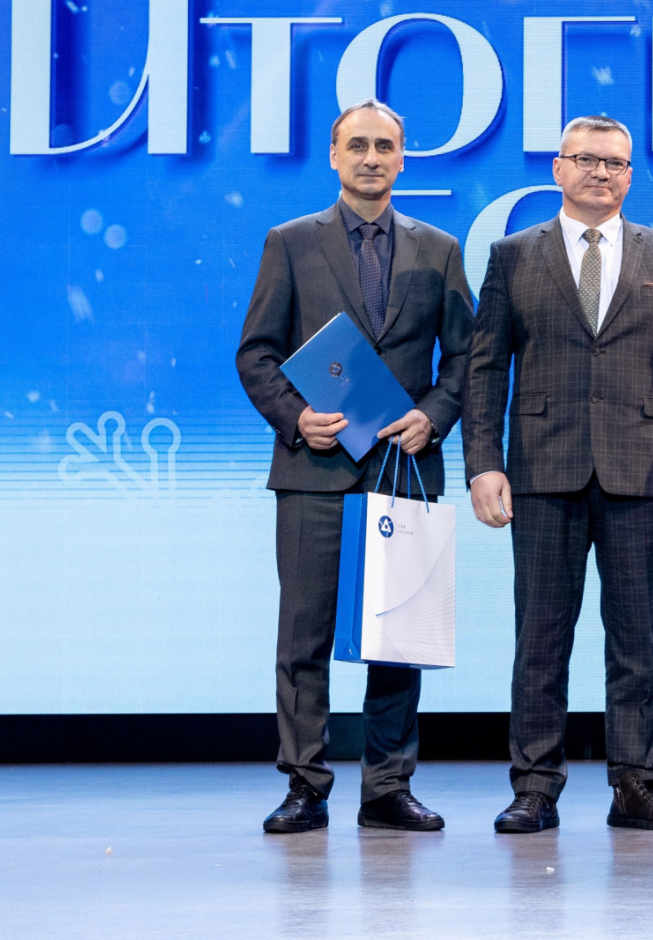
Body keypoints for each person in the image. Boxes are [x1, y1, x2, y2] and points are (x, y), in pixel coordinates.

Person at [464, 115, 653, 834]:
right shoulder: (513, 255)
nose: (601, 172)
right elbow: (484, 369)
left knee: (637, 639)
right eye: (586, 159)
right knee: (539, 639)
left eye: (615, 163)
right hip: (541, 470)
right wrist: (483, 463)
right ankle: (534, 786)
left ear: (630, 176)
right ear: (558, 168)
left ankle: (636, 784)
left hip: (641, 469)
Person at [236, 99, 474, 833]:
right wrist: (294, 417)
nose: (372, 158)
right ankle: (304, 785)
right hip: (314, 468)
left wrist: (433, 415)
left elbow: (466, 358)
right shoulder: (290, 242)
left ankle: (387, 788)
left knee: (397, 640)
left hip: (402, 470)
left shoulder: (439, 248)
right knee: (303, 635)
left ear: (403, 159)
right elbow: (257, 353)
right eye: (358, 146)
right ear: (335, 156)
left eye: (385, 147)